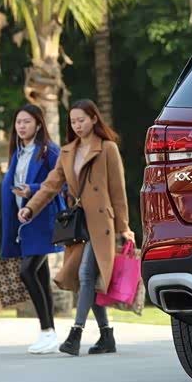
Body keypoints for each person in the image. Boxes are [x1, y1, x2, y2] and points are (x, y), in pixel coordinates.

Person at [19, 99, 135, 356]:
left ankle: (76, 333)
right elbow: (50, 185)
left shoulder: (107, 148)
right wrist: (31, 208)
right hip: (78, 225)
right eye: (73, 121)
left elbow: (118, 192)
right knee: (87, 280)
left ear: (94, 119)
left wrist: (124, 227)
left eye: (81, 120)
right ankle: (106, 335)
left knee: (85, 274)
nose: (77, 125)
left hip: (102, 223)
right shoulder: (67, 152)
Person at [0, 105, 65, 354]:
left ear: (38, 124)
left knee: (27, 272)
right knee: (41, 276)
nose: (21, 126)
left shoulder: (49, 151)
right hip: (23, 224)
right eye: (18, 122)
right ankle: (49, 334)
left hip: (43, 221)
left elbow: (62, 183)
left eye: (27, 121)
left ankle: (47, 330)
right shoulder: (17, 153)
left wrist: (33, 189)